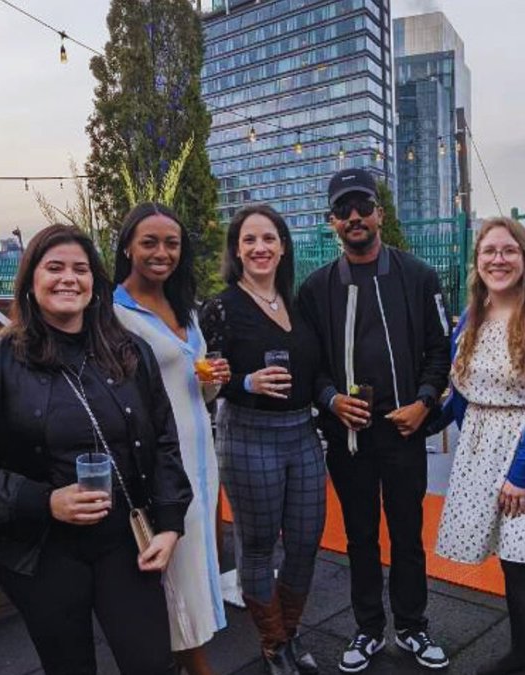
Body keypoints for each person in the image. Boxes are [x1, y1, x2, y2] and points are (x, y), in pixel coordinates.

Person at [0, 224, 191, 675]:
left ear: (95, 282)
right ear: (32, 282)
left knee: (152, 663)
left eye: (80, 269)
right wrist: (44, 500)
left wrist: (170, 524)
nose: (68, 279)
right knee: (69, 665)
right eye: (54, 268)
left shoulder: (129, 353)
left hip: (124, 538)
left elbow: (164, 441)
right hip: (42, 548)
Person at [298, 168, 451, 673]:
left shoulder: (418, 275)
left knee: (407, 535)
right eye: (344, 210)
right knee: (360, 537)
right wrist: (329, 399)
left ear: (379, 214)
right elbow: (308, 364)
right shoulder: (315, 289)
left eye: (363, 206)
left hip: (405, 431)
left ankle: (411, 626)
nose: (355, 217)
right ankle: (367, 629)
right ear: (332, 223)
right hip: (349, 439)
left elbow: (439, 348)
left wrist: (425, 400)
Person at [433, 217, 525, 675]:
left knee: (523, 562)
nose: (498, 259)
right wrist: (421, 422)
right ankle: (523, 654)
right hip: (482, 450)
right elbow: (463, 389)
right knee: (509, 559)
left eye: (508, 250)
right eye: (489, 252)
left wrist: (519, 474)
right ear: (476, 263)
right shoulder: (473, 316)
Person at [200, 204, 326, 675]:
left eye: (268, 238)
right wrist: (246, 383)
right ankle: (275, 645)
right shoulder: (219, 307)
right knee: (256, 545)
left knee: (306, 539)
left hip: (302, 432)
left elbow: (317, 371)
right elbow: (207, 378)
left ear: (283, 245)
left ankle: (289, 633)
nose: (260, 248)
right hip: (249, 434)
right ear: (237, 249)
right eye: (249, 240)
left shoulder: (299, 304)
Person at [112, 202, 228, 675]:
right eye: (150, 242)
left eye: (172, 243)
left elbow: (198, 388)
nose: (162, 252)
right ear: (127, 248)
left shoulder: (186, 308)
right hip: (161, 460)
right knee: (177, 566)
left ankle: (182, 658)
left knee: (200, 562)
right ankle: (196, 665)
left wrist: (214, 377)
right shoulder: (114, 314)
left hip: (201, 448)